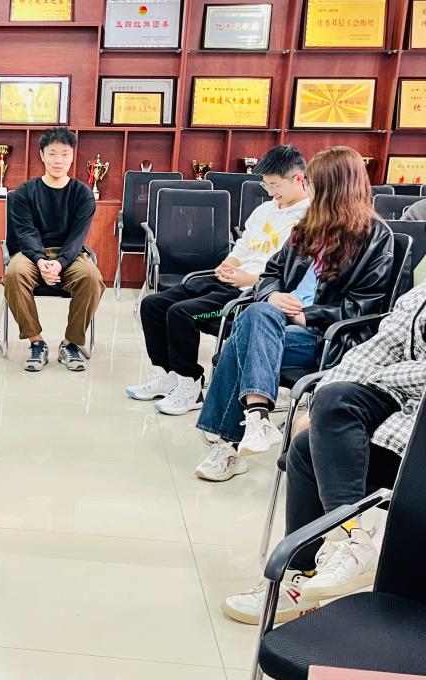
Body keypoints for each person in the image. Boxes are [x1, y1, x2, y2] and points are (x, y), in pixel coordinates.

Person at [222, 281, 426, 624]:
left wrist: (381, 378)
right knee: (318, 424)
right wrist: (319, 404)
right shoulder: (421, 295)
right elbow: (377, 349)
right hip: (399, 412)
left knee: (319, 438)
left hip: (415, 440)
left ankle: (346, 542)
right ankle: (329, 554)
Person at [193, 146, 393, 482]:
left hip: (325, 336)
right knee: (259, 315)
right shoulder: (307, 227)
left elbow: (366, 307)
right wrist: (273, 295)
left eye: (313, 183)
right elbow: (271, 274)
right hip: (276, 324)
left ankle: (232, 443)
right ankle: (256, 419)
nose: (307, 188)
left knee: (244, 335)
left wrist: (307, 316)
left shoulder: (374, 236)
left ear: (334, 187)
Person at [128, 145, 311, 414]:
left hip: (253, 294)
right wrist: (229, 264)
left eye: (275, 185)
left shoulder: (309, 218)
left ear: (298, 179)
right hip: (230, 281)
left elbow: (293, 274)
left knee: (182, 314)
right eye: (266, 185)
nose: (270, 192)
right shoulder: (264, 210)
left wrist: (248, 278)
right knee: (152, 305)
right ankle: (171, 376)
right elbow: (243, 245)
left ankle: (190, 387)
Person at [0, 127, 104, 373]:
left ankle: (70, 344)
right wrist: (39, 260)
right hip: (31, 254)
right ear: (42, 155)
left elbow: (78, 236)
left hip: (70, 255)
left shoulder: (83, 194)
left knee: (92, 277)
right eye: (53, 153)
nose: (59, 160)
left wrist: (60, 262)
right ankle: (36, 342)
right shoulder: (24, 193)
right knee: (14, 274)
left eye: (65, 154)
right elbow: (25, 232)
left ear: (72, 156)